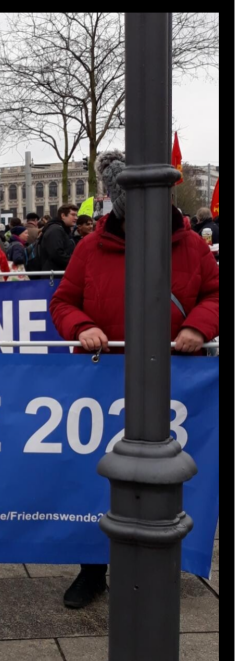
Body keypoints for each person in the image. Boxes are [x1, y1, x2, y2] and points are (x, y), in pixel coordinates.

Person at [50, 149, 219, 609]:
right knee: (99, 478)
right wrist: (82, 328)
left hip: (175, 380)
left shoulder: (192, 246)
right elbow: (63, 303)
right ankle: (92, 569)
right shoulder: (89, 248)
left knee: (169, 478)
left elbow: (214, 294)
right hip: (104, 381)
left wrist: (196, 327)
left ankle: (163, 565)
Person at [39, 204, 77, 272]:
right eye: (73, 215)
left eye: (76, 215)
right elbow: (57, 254)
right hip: (54, 275)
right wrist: (75, 261)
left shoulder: (63, 229)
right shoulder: (55, 230)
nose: (76, 218)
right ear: (63, 215)